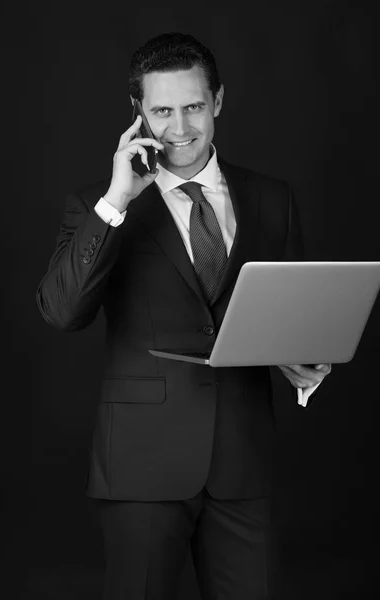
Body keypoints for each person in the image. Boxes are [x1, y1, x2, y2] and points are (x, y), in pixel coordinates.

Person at [36, 32, 331, 600]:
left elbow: (295, 312)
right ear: (137, 114)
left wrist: (307, 359)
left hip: (243, 465)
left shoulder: (274, 199)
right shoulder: (102, 203)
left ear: (218, 100)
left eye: (193, 106)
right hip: (141, 465)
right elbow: (62, 311)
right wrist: (117, 201)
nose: (180, 128)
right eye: (162, 110)